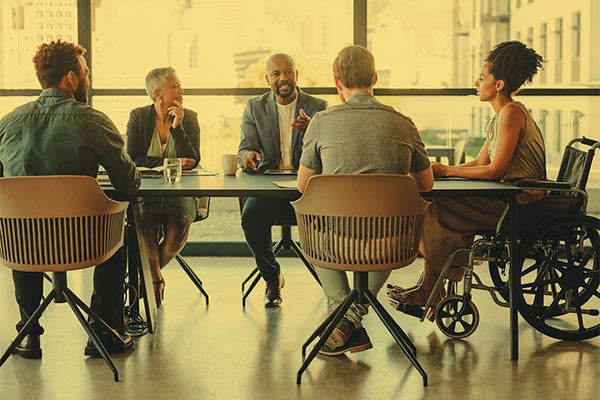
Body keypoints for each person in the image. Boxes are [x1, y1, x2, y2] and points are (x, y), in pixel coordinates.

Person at [0, 40, 140, 359]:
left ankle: (27, 333)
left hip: (22, 246)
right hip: (84, 242)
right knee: (120, 219)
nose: (87, 79)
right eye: (85, 73)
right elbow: (129, 184)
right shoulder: (92, 120)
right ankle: (104, 332)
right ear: (71, 79)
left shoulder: (6, 123)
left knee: (20, 218)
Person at [387, 40, 547, 312]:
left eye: (482, 77)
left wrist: (448, 171)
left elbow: (496, 171)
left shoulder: (511, 113)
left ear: (499, 84)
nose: (476, 81)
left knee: (436, 206)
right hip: (508, 196)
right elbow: (479, 162)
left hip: (521, 201)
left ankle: (431, 290)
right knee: (436, 201)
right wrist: (442, 171)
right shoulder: (501, 116)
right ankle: (431, 287)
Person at [297, 45, 434, 355]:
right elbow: (426, 184)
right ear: (374, 78)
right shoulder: (404, 122)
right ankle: (350, 320)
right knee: (389, 222)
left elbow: (304, 186)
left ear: (336, 82)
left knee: (312, 216)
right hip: (391, 244)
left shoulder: (321, 122)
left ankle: (343, 314)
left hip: (333, 244)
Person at [238, 53, 328, 307]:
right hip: (269, 187)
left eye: (288, 72)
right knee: (251, 216)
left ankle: (332, 283)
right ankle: (272, 277)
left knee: (330, 216)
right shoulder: (255, 107)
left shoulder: (318, 107)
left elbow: (331, 151)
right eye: (276, 74)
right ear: (267, 79)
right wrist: (248, 156)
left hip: (307, 187)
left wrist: (313, 129)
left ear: (297, 75)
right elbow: (244, 148)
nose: (283, 78)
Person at [126, 67, 200, 307]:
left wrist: (178, 128)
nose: (182, 90)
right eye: (176, 86)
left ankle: (144, 276)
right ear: (158, 93)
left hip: (180, 191)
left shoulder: (190, 117)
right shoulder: (138, 117)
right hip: (146, 191)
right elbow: (133, 158)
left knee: (177, 230)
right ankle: (155, 279)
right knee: (145, 228)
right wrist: (171, 162)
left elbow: (193, 159)